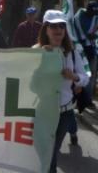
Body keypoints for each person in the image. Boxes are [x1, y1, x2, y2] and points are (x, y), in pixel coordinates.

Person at [34, 10, 88, 173]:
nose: (58, 30)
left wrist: (75, 77)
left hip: (64, 113)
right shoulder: (35, 51)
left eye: (62, 26)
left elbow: (85, 77)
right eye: (53, 26)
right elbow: (28, 83)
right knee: (42, 153)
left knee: (51, 153)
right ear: (45, 29)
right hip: (42, 112)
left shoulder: (72, 53)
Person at [74, 0, 98, 104]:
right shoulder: (79, 16)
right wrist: (93, 35)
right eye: (92, 12)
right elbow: (86, 34)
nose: (94, 15)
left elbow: (94, 34)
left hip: (91, 49)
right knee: (80, 73)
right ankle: (78, 97)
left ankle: (87, 99)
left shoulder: (95, 17)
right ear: (88, 10)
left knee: (92, 73)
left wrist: (94, 35)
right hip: (80, 49)